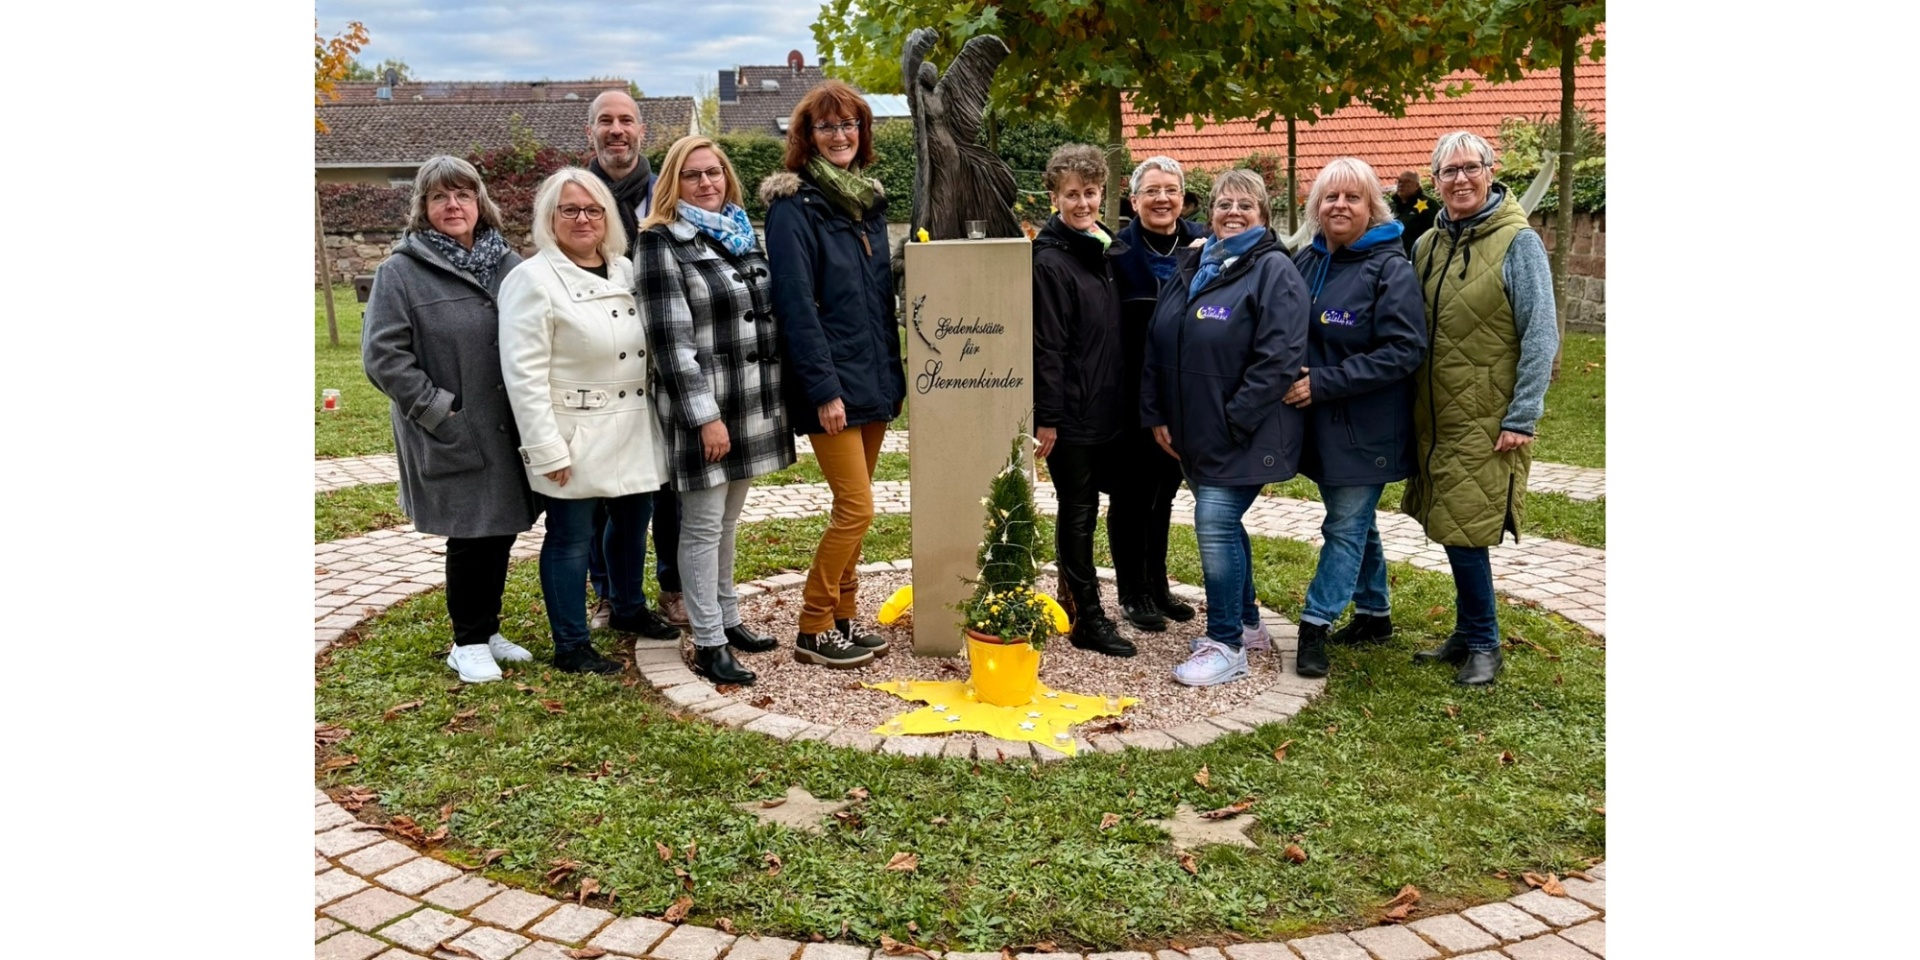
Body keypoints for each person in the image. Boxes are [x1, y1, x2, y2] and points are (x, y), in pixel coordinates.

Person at [363, 155, 540, 685]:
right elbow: (383, 355)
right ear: (424, 208)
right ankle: (466, 642)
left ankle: (487, 631)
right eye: (440, 197)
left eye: (462, 194)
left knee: (501, 530)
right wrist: (438, 409)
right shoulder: (401, 272)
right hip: (453, 426)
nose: (453, 205)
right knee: (470, 534)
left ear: (479, 201)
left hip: (508, 426)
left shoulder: (507, 264)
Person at [636, 136, 796, 685]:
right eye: (692, 176)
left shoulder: (743, 234)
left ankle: (727, 619)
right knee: (701, 526)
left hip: (750, 401)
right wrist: (704, 417)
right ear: (673, 184)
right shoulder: (661, 242)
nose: (707, 183)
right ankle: (706, 642)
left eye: (715, 173)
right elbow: (669, 342)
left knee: (727, 522)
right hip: (703, 408)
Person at [1141, 169, 1310, 686]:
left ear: (1263, 215)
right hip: (1192, 431)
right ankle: (1250, 624)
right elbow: (1158, 338)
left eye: (1245, 205)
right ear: (1209, 211)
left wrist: (1230, 421)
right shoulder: (1195, 263)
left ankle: (1226, 642)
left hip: (1244, 433)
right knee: (1223, 525)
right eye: (1223, 204)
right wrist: (1158, 412)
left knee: (1214, 522)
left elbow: (1278, 359)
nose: (1232, 213)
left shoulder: (1275, 271)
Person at [499, 169, 672, 674]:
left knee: (633, 522)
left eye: (593, 209)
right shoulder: (531, 280)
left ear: (608, 217)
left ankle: (627, 607)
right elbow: (522, 375)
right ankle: (571, 642)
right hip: (574, 428)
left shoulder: (626, 271)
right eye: (569, 210)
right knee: (571, 535)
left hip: (635, 425)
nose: (582, 219)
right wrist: (546, 447)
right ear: (549, 219)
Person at [1404, 131, 1560, 687]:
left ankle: (1486, 644)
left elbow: (1542, 333)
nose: (1461, 179)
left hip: (1487, 415)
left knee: (1466, 528)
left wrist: (1523, 415)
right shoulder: (1428, 244)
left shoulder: (1519, 243)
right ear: (1435, 180)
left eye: (1471, 168)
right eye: (1449, 171)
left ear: (1491, 173)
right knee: (1450, 524)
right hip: (1435, 413)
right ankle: (1469, 631)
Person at [761, 78, 900, 669]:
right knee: (856, 507)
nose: (840, 134)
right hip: (833, 386)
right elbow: (796, 305)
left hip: (873, 379)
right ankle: (814, 623)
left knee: (858, 505)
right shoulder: (794, 209)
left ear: (862, 133)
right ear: (807, 137)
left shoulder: (867, 203)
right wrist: (823, 390)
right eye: (828, 126)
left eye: (850, 125)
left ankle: (845, 616)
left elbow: (871, 302)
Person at [1283, 157, 1429, 678]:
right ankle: (1375, 613)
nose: (1339, 206)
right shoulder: (1305, 261)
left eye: (1352, 198)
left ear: (1372, 207)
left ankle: (1314, 624)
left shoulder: (1390, 269)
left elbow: (1404, 349)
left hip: (1366, 427)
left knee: (1343, 526)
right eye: (1330, 197)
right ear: (1315, 207)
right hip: (1320, 426)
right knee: (1356, 523)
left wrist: (1323, 381)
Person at [582, 88, 685, 635]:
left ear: (642, 131)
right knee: (603, 490)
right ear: (590, 133)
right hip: (601, 366)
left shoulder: (665, 194)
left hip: (663, 360)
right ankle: (608, 594)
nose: (616, 130)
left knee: (669, 489)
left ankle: (672, 587)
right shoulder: (574, 196)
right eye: (605, 121)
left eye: (626, 120)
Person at [1029, 144, 1137, 657]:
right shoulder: (1050, 261)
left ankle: (1074, 601)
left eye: (1090, 193)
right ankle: (1089, 619)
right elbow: (1047, 345)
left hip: (1106, 406)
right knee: (1078, 511)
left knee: (1092, 508)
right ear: (1054, 198)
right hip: (1070, 412)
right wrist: (1047, 418)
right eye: (1071, 195)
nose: (1082, 203)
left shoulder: (1102, 248)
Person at [1112, 156, 1209, 633]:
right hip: (1130, 392)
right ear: (1134, 201)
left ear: (1183, 197)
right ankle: (1132, 591)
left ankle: (1157, 583)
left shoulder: (1204, 245)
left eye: (1171, 189)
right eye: (1152, 191)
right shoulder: (1115, 251)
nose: (1162, 199)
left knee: (1165, 492)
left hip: (1182, 392)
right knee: (1132, 494)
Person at [1390, 171, 1437, 260]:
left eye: (1407, 181)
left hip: (1417, 259)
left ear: (1417, 185)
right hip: (1392, 259)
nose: (1401, 184)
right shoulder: (1391, 206)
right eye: (1399, 181)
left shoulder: (1429, 206)